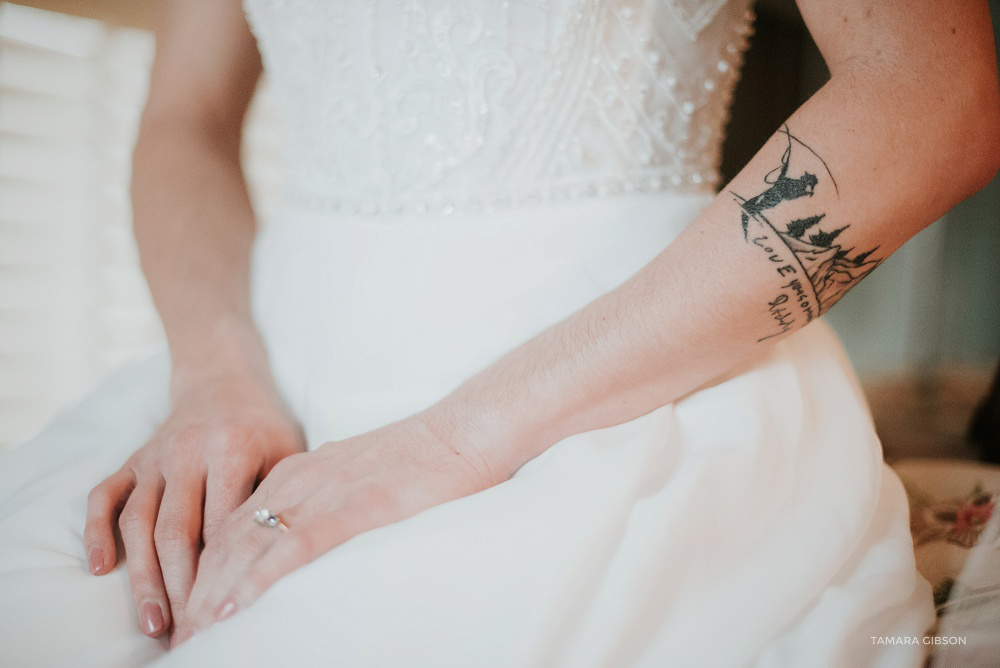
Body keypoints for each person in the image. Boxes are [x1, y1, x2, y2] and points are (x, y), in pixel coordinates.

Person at [1, 0, 998, 665]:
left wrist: (450, 441)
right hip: (257, 362)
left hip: (622, 376)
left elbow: (932, 94)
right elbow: (184, 116)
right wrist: (214, 380)